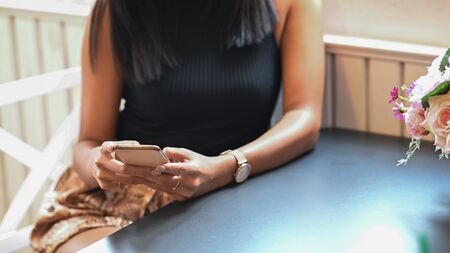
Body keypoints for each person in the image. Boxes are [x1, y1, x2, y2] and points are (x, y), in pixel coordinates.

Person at [30, 0, 324, 252]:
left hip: (232, 198)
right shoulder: (116, 7)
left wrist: (224, 167)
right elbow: (88, 141)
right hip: (112, 204)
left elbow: (304, 117)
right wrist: (100, 163)